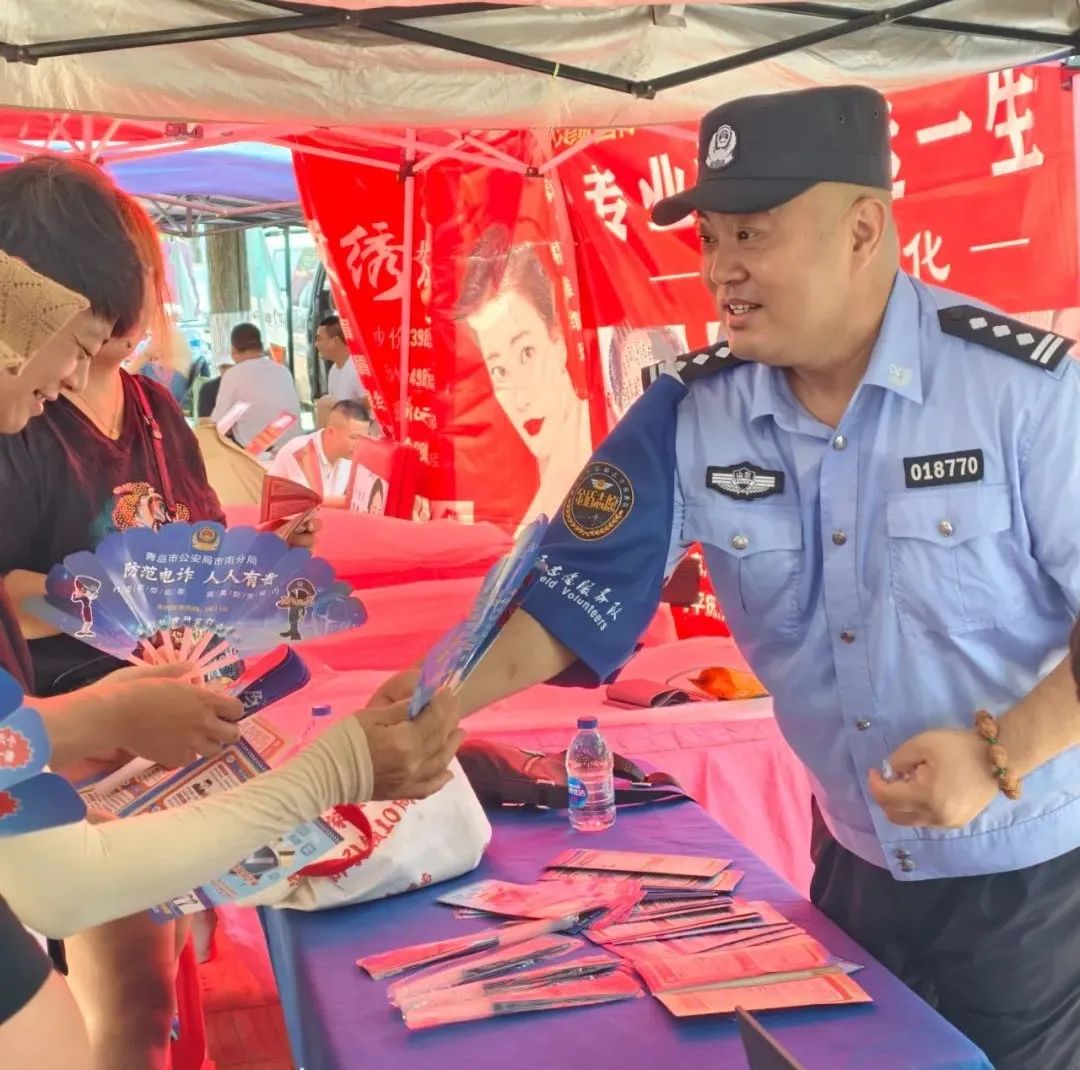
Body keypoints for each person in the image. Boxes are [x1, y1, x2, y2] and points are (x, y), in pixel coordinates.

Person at [375, 87, 1080, 1069]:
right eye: (708, 238)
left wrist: (999, 756)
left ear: (862, 229)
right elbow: (573, 589)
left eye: (751, 234)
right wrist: (434, 704)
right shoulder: (692, 410)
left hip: (1031, 882)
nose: (720, 270)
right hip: (851, 864)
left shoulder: (1024, 393)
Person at [0, 248, 464, 1069]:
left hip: (117, 754)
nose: (69, 377)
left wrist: (101, 720)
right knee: (109, 1011)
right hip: (89, 772)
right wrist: (333, 772)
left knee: (137, 1000)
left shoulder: (151, 410)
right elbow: (60, 883)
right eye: (68, 348)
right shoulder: (27, 443)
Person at [457, 227, 593, 533]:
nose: (521, 398)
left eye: (527, 353)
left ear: (557, 338)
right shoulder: (541, 504)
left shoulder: (603, 454)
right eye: (499, 371)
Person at [210, 323, 301, 455]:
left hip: (259, 452)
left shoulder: (233, 375)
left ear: (233, 351)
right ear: (261, 347)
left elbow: (218, 425)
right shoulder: (283, 371)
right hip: (294, 448)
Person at [269, 398, 371, 505]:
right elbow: (310, 504)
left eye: (364, 438)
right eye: (354, 437)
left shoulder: (347, 457)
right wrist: (357, 501)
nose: (360, 444)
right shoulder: (301, 451)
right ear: (330, 432)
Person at [315, 314, 367, 428]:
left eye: (319, 339)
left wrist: (342, 408)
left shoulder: (358, 367)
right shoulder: (333, 371)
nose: (316, 345)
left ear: (336, 340)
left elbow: (370, 404)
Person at [196, 350, 233, 420]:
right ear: (219, 368)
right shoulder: (208, 388)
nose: (227, 370)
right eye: (223, 367)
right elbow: (204, 418)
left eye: (231, 367)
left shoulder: (245, 385)